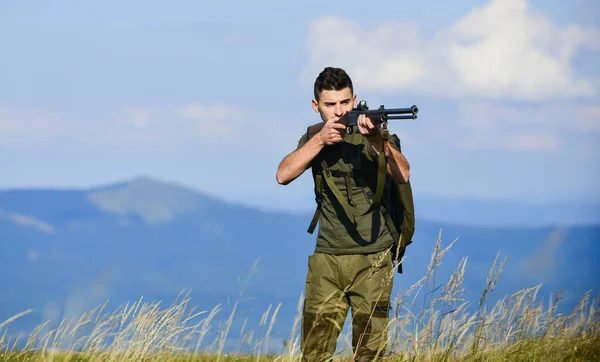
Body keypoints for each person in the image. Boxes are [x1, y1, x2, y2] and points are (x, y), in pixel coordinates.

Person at [276, 66, 410, 361]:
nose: (338, 111)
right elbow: (283, 175)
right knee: (314, 353)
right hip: (327, 258)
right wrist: (320, 141)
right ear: (316, 106)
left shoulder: (378, 136)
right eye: (330, 104)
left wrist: (377, 140)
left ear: (355, 100)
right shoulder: (314, 136)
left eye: (345, 102)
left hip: (373, 259)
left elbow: (403, 175)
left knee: (369, 355)